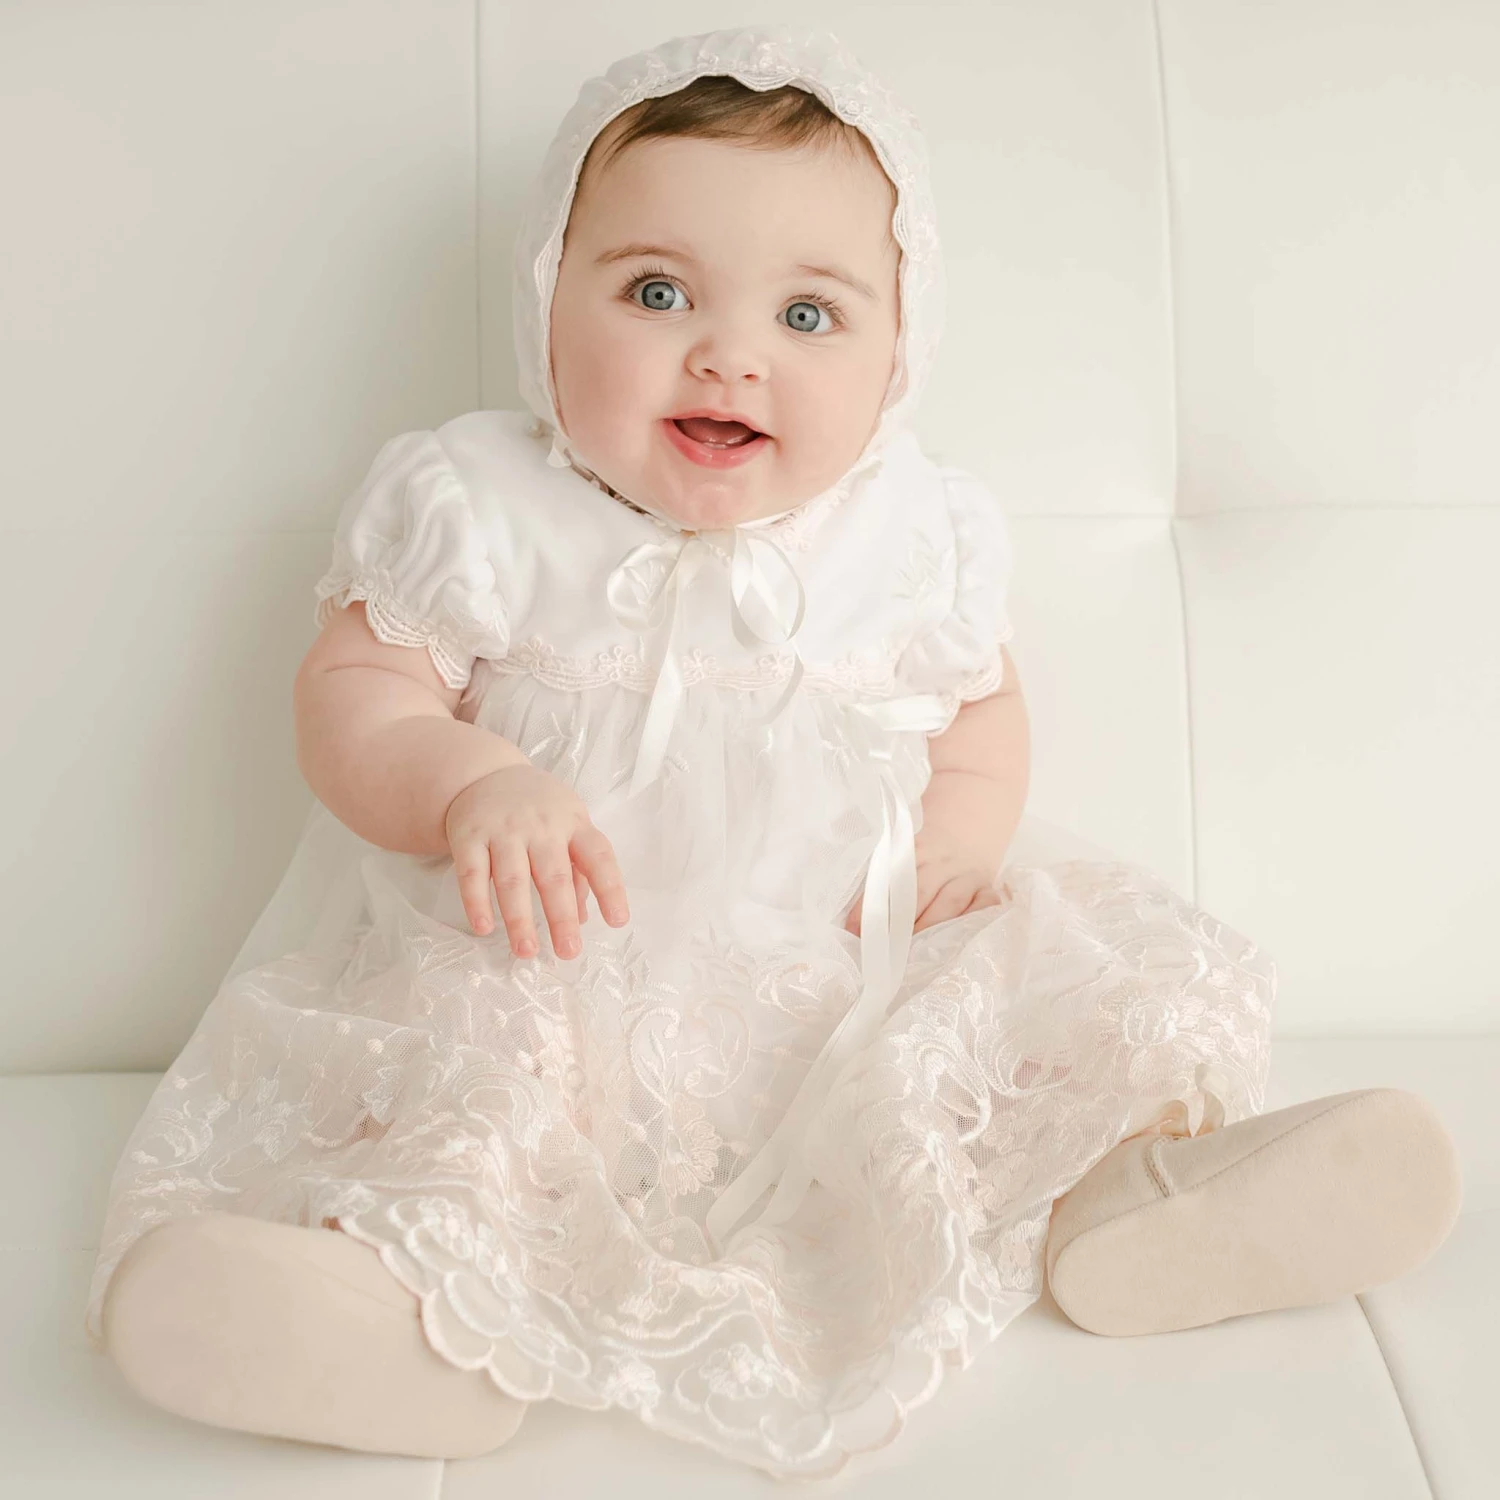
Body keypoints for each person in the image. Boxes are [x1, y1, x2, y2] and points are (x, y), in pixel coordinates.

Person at [84, 24, 1462, 1480]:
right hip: (549, 967)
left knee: (1014, 1020)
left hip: (849, 967)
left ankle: (1137, 1203)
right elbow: (356, 693)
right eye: (656, 291)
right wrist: (471, 780)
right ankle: (416, 1314)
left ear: (899, 352)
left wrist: (965, 835)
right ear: (548, 298)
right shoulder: (478, 502)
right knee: (464, 1094)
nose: (728, 353)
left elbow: (981, 709)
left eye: (809, 315)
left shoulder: (910, 531)